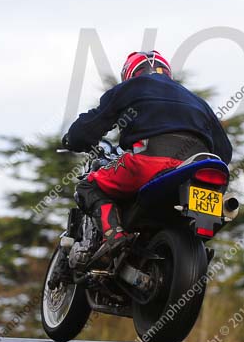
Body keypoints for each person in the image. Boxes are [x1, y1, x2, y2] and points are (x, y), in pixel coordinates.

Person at [62, 50, 233, 249]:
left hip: (148, 162)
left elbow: (85, 130)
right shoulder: (197, 101)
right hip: (197, 168)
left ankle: (113, 237)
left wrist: (72, 140)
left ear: (130, 74)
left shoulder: (130, 87)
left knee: (88, 186)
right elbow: (225, 152)